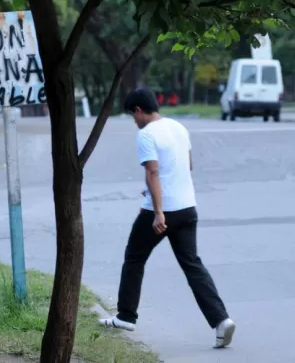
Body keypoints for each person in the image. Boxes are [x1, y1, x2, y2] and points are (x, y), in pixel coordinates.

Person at [98, 88, 236, 349]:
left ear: (139, 110)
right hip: (187, 208)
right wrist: (152, 196)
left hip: (163, 211)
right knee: (192, 264)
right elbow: (186, 166)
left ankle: (126, 316)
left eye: (132, 116)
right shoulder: (178, 127)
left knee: (134, 257)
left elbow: (153, 173)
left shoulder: (146, 135)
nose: (134, 121)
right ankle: (222, 321)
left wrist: (158, 211)